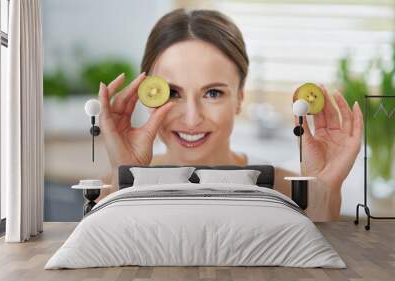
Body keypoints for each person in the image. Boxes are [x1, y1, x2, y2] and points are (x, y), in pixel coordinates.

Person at [97, 9, 363, 222]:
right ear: (146, 94)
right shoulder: (115, 185)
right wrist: (125, 174)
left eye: (212, 93)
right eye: (172, 93)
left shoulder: (283, 189)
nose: (191, 119)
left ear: (240, 99)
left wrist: (325, 189)